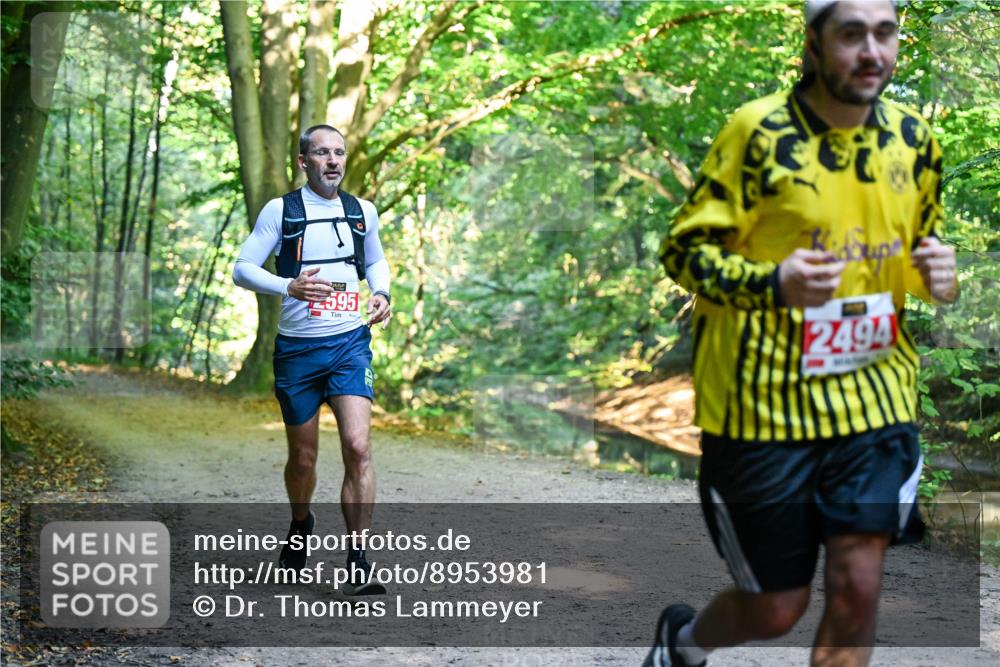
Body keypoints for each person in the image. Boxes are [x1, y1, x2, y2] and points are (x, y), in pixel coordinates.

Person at [646, 1, 958, 665]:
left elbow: (919, 250)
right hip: (760, 410)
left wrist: (939, 273)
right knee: (775, 607)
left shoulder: (915, 139)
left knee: (856, 587)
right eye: (852, 35)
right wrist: (772, 283)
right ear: (814, 44)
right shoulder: (757, 132)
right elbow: (682, 253)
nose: (872, 51)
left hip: (875, 399)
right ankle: (683, 644)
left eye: (886, 33)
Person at [233, 125, 392, 595]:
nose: (333, 160)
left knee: (359, 447)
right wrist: (289, 286)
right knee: (303, 458)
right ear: (304, 161)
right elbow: (242, 269)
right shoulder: (281, 210)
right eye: (322, 153)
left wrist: (381, 292)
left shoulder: (363, 211)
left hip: (349, 343)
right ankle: (301, 524)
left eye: (339, 152)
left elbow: (376, 261)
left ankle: (359, 558)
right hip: (298, 350)